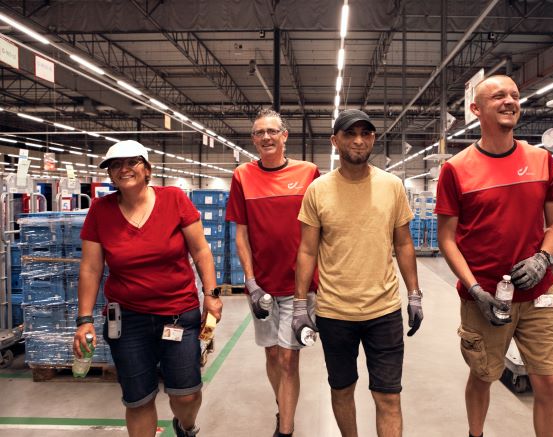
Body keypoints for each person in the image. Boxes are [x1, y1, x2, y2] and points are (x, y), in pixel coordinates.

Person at [435, 75, 553, 437]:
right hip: (485, 298)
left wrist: (543, 258)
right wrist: (475, 289)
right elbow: (447, 238)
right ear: (476, 110)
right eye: (498, 96)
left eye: (514, 95)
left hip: (539, 294)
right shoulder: (456, 168)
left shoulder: (541, 161)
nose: (510, 101)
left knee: (551, 381)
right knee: (482, 376)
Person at [73, 140, 223, 437]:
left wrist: (211, 294)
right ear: (110, 174)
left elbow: (202, 251)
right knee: (138, 399)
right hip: (128, 320)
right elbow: (91, 268)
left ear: (147, 169)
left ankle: (186, 426)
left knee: (186, 394)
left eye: (132, 162)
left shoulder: (174, 199)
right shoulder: (100, 211)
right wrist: (85, 319)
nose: (124, 169)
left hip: (178, 314)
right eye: (115, 165)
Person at [294, 109, 424, 437]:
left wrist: (414, 294)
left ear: (373, 139)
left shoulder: (392, 186)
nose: (358, 140)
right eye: (350, 134)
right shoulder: (318, 190)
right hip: (334, 312)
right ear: (335, 141)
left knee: (388, 396)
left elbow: (404, 244)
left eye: (366, 134)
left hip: (383, 311)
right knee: (342, 390)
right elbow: (307, 250)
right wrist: (299, 305)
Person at [226, 108, 320, 437]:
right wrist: (250, 283)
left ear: (284, 136)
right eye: (259, 133)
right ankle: (284, 405)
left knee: (288, 359)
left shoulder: (309, 173)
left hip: (299, 287)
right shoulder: (242, 176)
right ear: (253, 140)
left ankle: (286, 429)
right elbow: (241, 235)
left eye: (272, 131)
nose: (265, 137)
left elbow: (321, 229)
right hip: (262, 287)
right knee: (271, 354)